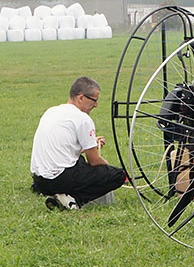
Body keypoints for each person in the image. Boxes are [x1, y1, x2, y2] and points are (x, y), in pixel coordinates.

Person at [31, 76, 127, 210]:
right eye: (94, 100)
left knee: (80, 161)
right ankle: (73, 200)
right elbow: (94, 161)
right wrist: (110, 169)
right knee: (117, 175)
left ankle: (54, 193)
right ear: (81, 97)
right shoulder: (83, 119)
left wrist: (90, 144)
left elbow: (64, 148)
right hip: (59, 179)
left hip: (40, 180)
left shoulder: (51, 111)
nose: (96, 105)